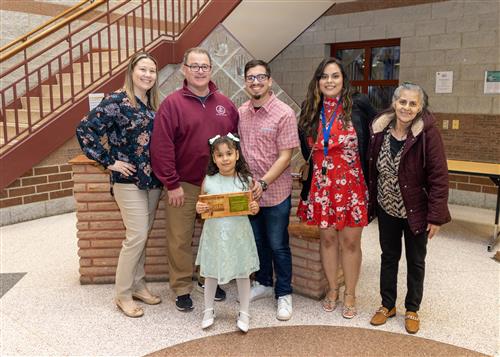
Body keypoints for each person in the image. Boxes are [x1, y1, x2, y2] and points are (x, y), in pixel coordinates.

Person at [151, 47, 239, 311]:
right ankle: (181, 288)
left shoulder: (225, 104)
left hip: (218, 184)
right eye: (194, 66)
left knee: (215, 235)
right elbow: (161, 146)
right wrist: (172, 183)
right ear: (184, 70)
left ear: (210, 70)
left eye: (204, 66)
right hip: (184, 186)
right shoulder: (172, 104)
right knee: (180, 237)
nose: (200, 71)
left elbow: (235, 144)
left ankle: (207, 279)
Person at [76, 52, 162, 318]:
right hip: (127, 181)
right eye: (143, 69)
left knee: (142, 236)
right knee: (135, 236)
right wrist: (109, 161)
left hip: (152, 181)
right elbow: (84, 129)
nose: (147, 75)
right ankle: (122, 294)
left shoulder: (151, 103)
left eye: (152, 71)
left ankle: (138, 284)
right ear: (131, 71)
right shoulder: (116, 101)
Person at [297, 58, 377, 319]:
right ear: (317, 81)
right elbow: (305, 148)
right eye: (324, 76)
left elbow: (378, 133)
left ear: (344, 80)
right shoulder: (310, 110)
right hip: (322, 187)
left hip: (353, 185)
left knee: (350, 242)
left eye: (335, 76)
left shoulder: (359, 105)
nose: (329, 81)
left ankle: (350, 293)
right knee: (328, 239)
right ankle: (332, 289)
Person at [367, 82, 450, 334]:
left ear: (420, 107)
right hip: (386, 207)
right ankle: (387, 305)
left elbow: (439, 176)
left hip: (416, 210)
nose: (406, 107)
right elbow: (371, 168)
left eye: (413, 103)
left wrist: (435, 216)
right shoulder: (379, 130)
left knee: (416, 261)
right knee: (388, 257)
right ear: (394, 103)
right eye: (402, 101)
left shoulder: (428, 133)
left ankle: (412, 308)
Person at [238, 59, 299, 321]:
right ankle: (263, 282)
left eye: (261, 77)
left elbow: (286, 156)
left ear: (270, 80)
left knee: (277, 244)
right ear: (245, 82)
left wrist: (263, 183)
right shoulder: (241, 112)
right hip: (248, 193)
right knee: (257, 242)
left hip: (274, 192)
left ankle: (284, 293)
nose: (256, 82)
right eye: (251, 78)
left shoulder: (283, 113)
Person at [195, 133, 260, 332]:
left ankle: (245, 311)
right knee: (211, 272)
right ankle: (208, 309)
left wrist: (255, 207)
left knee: (242, 272)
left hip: (238, 235)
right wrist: (199, 208)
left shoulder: (245, 180)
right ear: (214, 158)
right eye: (220, 155)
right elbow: (202, 204)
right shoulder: (209, 180)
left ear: (237, 155)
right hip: (215, 235)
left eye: (229, 154)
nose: (225, 158)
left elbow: (253, 206)